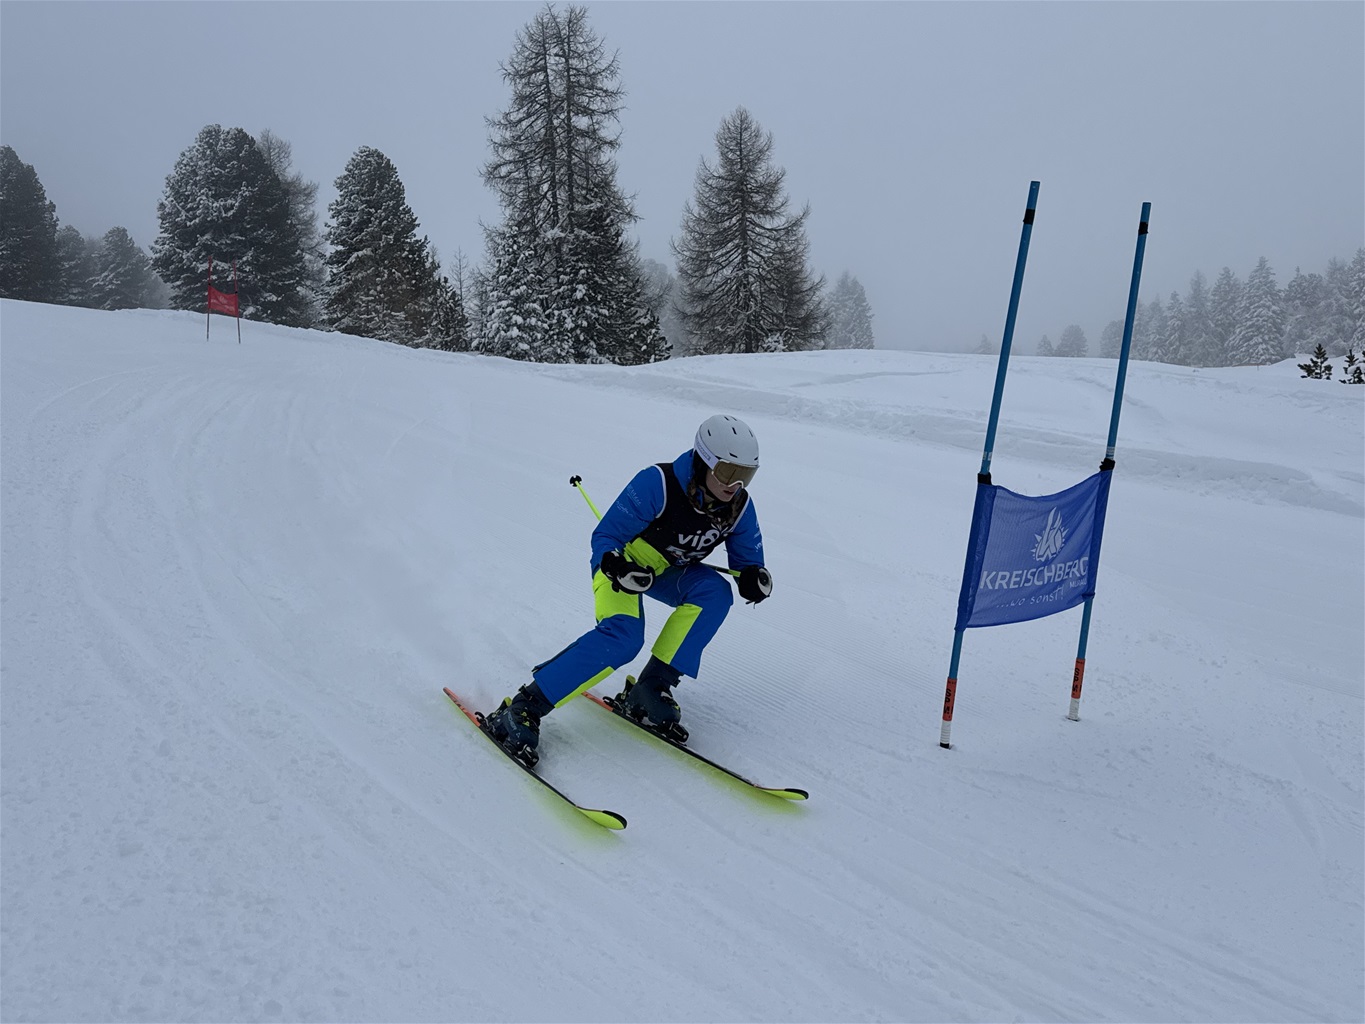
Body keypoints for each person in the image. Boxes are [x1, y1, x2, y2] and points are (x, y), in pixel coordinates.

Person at [485, 414, 773, 765]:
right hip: (621, 564)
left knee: (716, 593)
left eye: (746, 475)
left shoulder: (739, 507)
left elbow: (747, 561)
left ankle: (651, 688)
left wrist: (751, 577)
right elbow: (605, 537)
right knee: (623, 637)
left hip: (669, 572)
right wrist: (617, 565)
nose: (736, 485)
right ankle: (524, 707)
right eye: (729, 472)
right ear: (704, 461)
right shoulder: (658, 483)